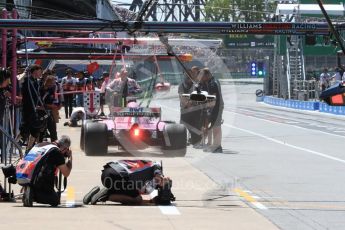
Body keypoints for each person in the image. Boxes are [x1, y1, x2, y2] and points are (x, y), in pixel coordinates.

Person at [83, 160, 174, 205]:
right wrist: (161, 178)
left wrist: (155, 199)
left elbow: (151, 199)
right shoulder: (155, 166)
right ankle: (106, 195)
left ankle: (95, 194)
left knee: (134, 194)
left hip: (107, 173)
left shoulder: (146, 165)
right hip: (117, 176)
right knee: (137, 199)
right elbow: (157, 171)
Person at [22, 135, 73, 207]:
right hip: (42, 183)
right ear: (65, 148)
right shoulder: (57, 152)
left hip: (28, 177)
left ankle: (29, 190)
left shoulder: (43, 145)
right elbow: (66, 173)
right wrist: (70, 158)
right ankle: (33, 194)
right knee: (55, 200)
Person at [198, 68, 224, 153]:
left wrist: (209, 108)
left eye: (202, 76)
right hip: (215, 106)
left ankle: (217, 146)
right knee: (214, 126)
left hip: (217, 106)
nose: (200, 78)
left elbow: (213, 98)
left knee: (216, 126)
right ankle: (215, 145)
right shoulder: (211, 82)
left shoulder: (213, 84)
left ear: (207, 75)